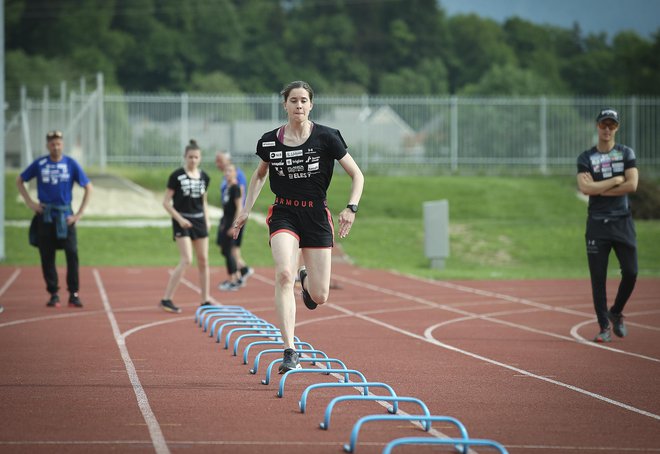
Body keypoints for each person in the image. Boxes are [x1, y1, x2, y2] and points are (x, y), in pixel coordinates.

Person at [233, 80, 364, 372]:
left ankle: (305, 278)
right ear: (285, 105)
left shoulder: (328, 137)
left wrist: (351, 208)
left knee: (320, 295)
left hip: (316, 215)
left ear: (311, 104)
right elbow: (259, 175)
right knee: (282, 274)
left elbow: (357, 176)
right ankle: (289, 349)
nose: (299, 106)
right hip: (284, 213)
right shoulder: (269, 141)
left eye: (304, 100)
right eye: (293, 101)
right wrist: (245, 210)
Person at [577, 108, 638, 343]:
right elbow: (585, 189)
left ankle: (616, 311)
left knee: (631, 273)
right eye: (604, 124)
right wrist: (614, 180)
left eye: (611, 125)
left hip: (622, 221)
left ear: (617, 128)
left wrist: (599, 187)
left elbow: (632, 185)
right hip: (596, 224)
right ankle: (604, 326)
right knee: (598, 278)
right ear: (597, 126)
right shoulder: (586, 158)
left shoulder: (626, 153)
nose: (607, 129)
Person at [16, 130, 93, 308]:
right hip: (45, 216)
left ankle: (73, 293)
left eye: (58, 143)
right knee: (46, 256)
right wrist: (31, 203)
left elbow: (88, 187)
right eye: (52, 143)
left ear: (63, 144)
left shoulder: (71, 164)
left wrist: (79, 214)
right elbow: (20, 180)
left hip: (66, 217)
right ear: (47, 145)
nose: (55, 146)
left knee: (72, 254)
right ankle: (53, 293)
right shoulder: (40, 163)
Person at [160, 140, 211, 313]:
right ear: (185, 157)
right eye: (190, 157)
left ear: (200, 158)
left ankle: (205, 300)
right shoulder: (176, 176)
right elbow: (166, 202)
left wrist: (207, 219)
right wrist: (180, 219)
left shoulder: (204, 177)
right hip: (182, 220)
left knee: (203, 260)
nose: (193, 160)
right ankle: (167, 298)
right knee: (187, 259)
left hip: (199, 220)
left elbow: (204, 201)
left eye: (196, 157)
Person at [215, 151, 253, 285]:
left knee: (232, 249)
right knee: (226, 248)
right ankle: (240, 271)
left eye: (219, 160)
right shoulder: (226, 183)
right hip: (226, 218)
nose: (217, 164)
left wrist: (236, 223)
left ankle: (238, 275)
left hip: (235, 219)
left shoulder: (237, 180)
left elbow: (239, 201)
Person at [217, 164, 244, 291]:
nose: (227, 173)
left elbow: (239, 207)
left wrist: (235, 225)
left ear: (235, 173)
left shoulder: (235, 188)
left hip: (231, 222)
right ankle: (237, 277)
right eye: (226, 171)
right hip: (225, 221)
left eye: (230, 171)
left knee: (228, 250)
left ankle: (233, 279)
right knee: (224, 250)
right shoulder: (227, 188)